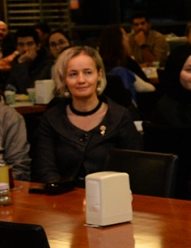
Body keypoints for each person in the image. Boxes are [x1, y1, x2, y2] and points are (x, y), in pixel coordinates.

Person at [34, 46, 142, 183]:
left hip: (111, 194)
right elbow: (45, 170)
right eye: (73, 74)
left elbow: (134, 168)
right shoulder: (51, 119)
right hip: (62, 194)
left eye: (88, 72)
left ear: (99, 74)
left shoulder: (120, 116)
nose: (81, 80)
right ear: (64, 79)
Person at [98, 26, 153, 108]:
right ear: (119, 41)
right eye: (125, 35)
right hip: (137, 106)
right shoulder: (127, 63)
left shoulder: (98, 64)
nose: (128, 38)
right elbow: (148, 88)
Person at [6, 27, 53, 92]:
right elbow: (10, 86)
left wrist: (22, 65)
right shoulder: (17, 61)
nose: (25, 49)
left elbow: (29, 90)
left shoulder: (47, 62)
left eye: (30, 44)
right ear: (16, 47)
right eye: (21, 45)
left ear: (38, 46)